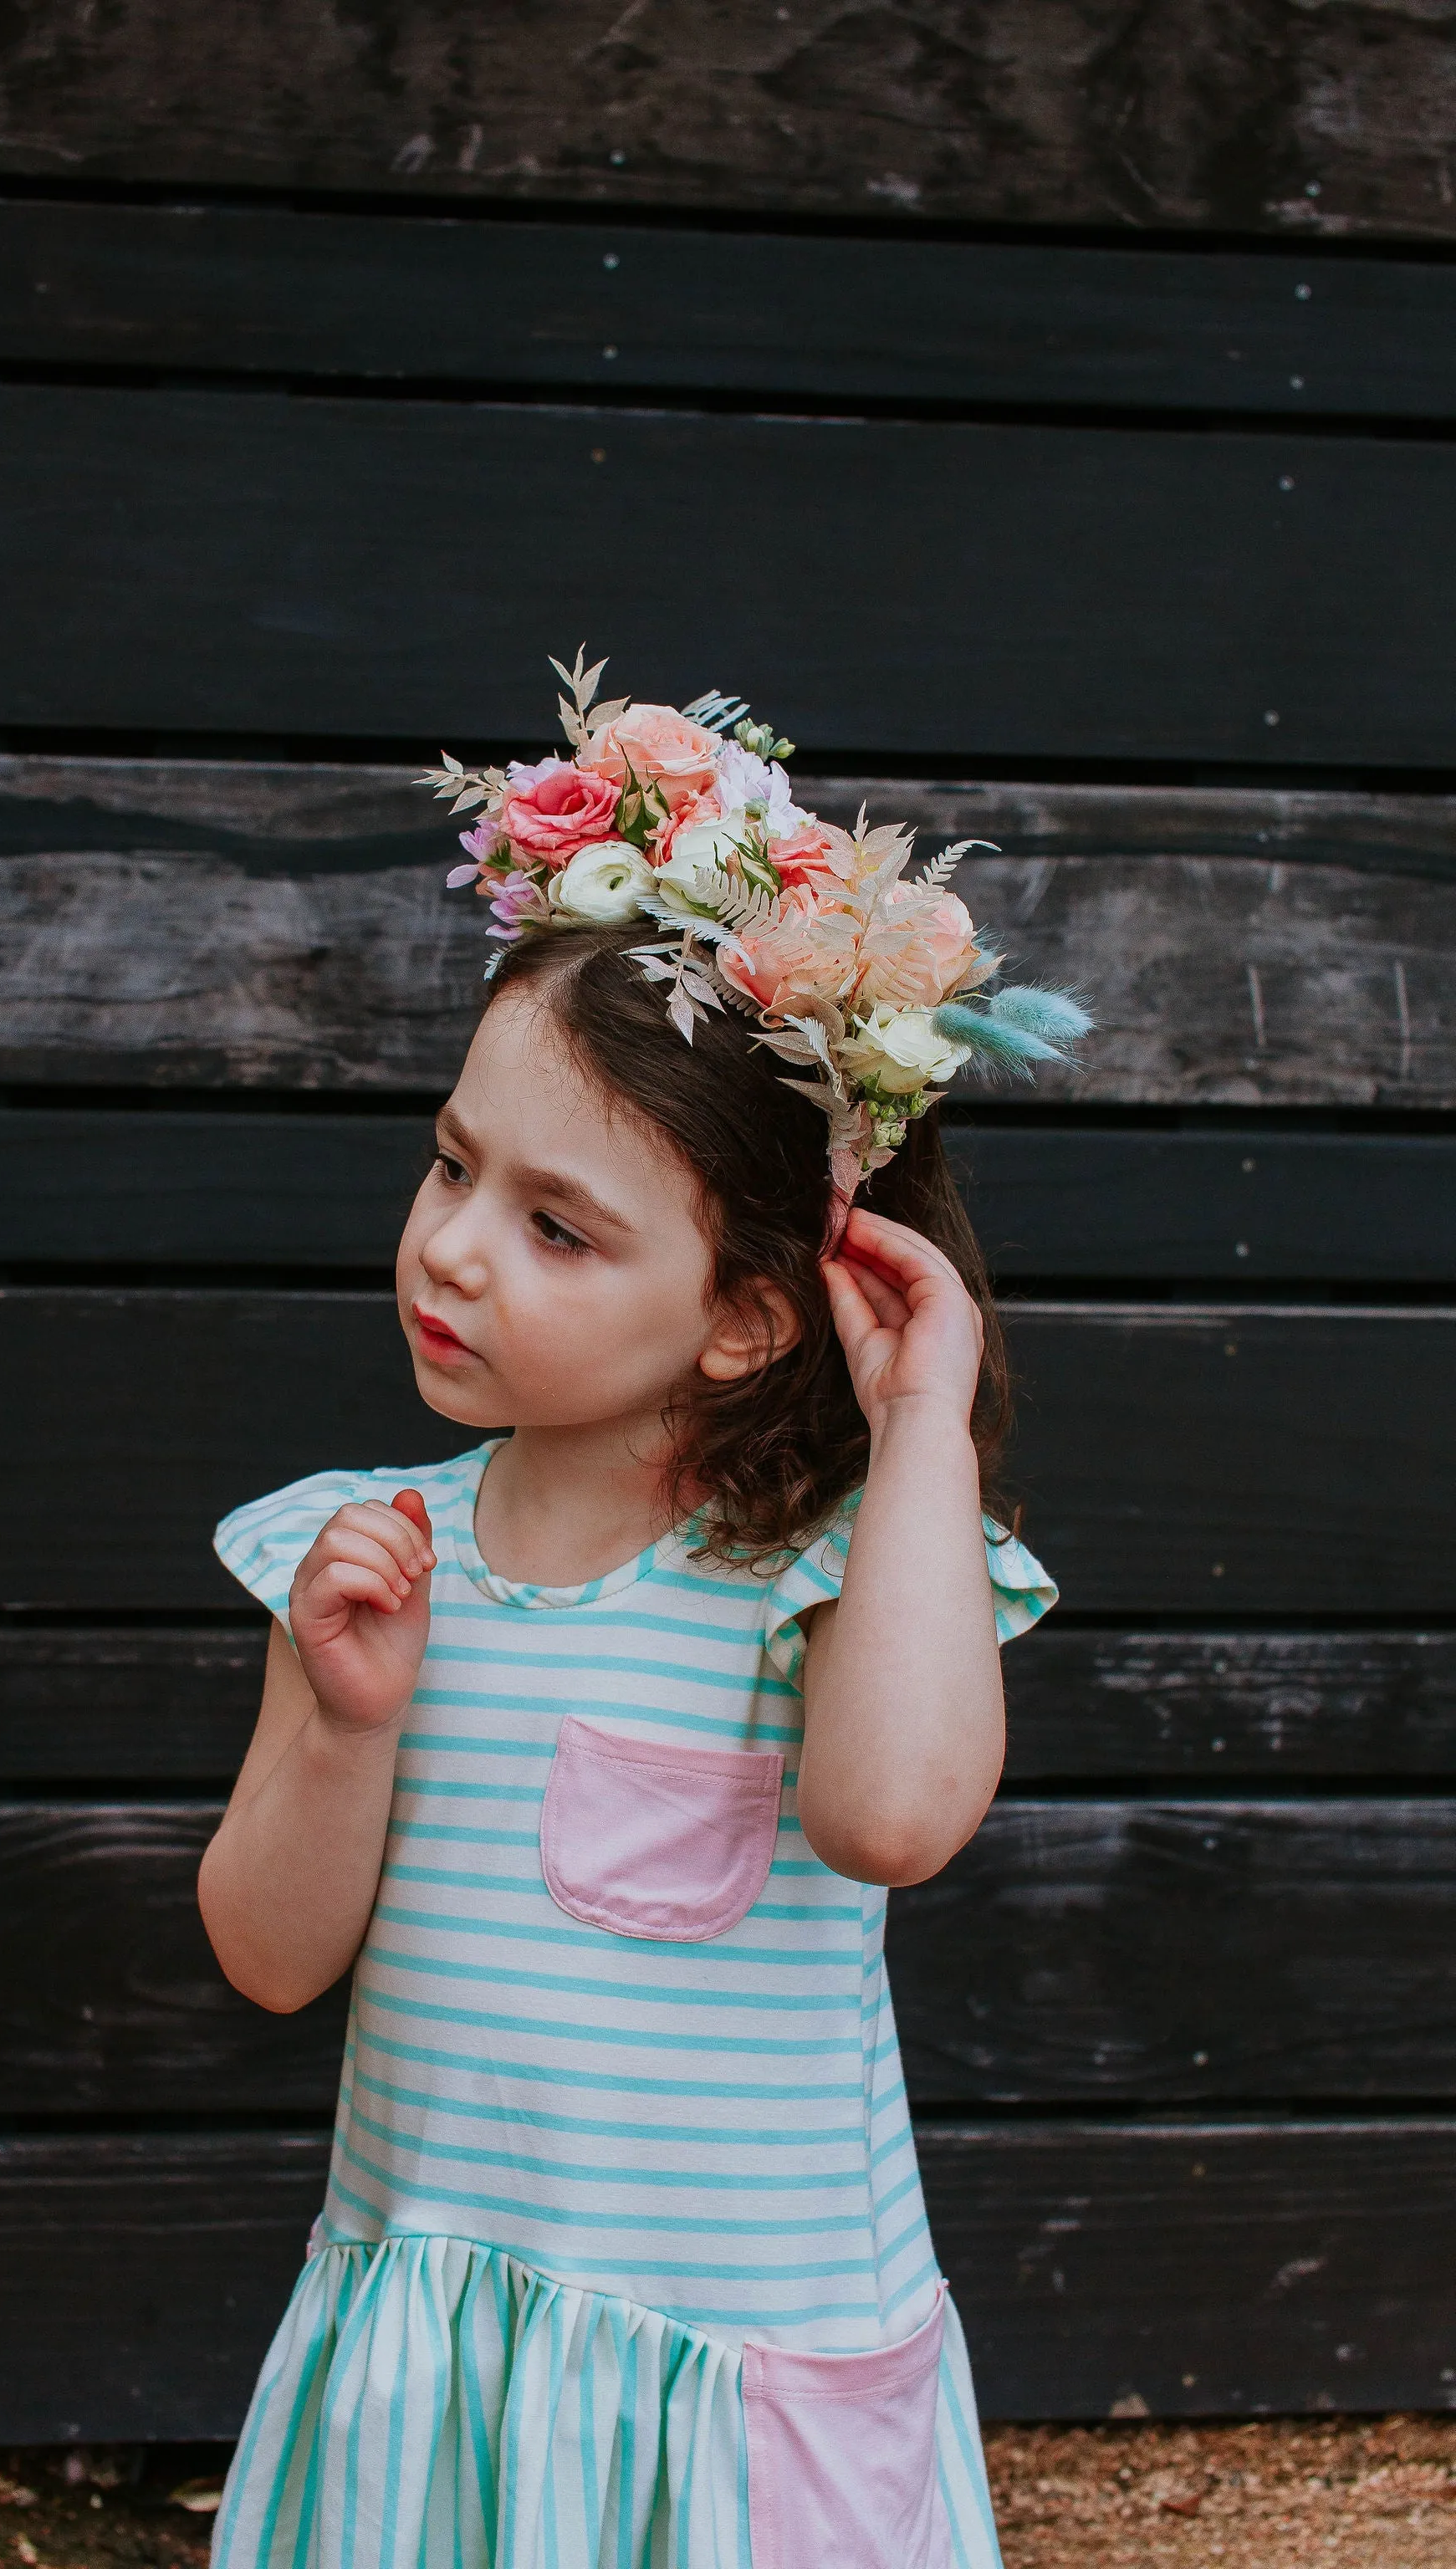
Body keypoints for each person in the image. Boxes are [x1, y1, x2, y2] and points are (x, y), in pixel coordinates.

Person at [197, 664, 1086, 2569]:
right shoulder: (365, 1556)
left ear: (747, 1312)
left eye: (557, 1225)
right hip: (434, 2362)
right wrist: (346, 1720)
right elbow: (269, 1959)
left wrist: (922, 1420)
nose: (449, 1245)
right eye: (453, 1165)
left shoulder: (825, 1578)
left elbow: (896, 1819)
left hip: (726, 2388)